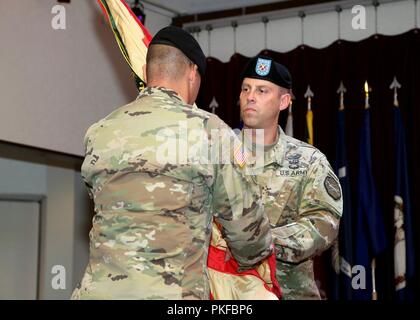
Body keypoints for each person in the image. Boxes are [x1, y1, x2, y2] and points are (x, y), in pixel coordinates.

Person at [71, 27, 273, 300]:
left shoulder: (100, 131)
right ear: (193, 73)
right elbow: (249, 236)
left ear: (146, 70)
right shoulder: (211, 132)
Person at [237, 55, 343, 299]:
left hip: (288, 293)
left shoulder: (308, 161)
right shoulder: (215, 156)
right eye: (246, 89)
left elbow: (323, 223)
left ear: (283, 101)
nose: (250, 97)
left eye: (262, 90)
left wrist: (261, 242)